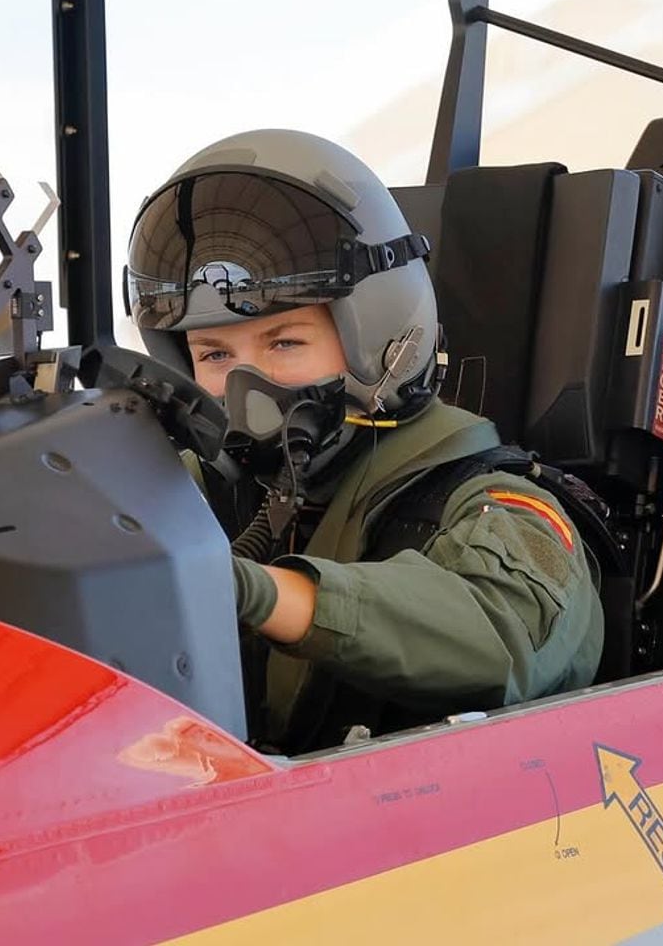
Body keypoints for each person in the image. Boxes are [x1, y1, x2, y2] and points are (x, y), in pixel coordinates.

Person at [124, 129, 603, 754]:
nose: (245, 383)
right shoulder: (189, 489)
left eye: (285, 342)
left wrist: (252, 589)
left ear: (377, 338)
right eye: (215, 353)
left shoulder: (490, 501)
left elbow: (508, 633)